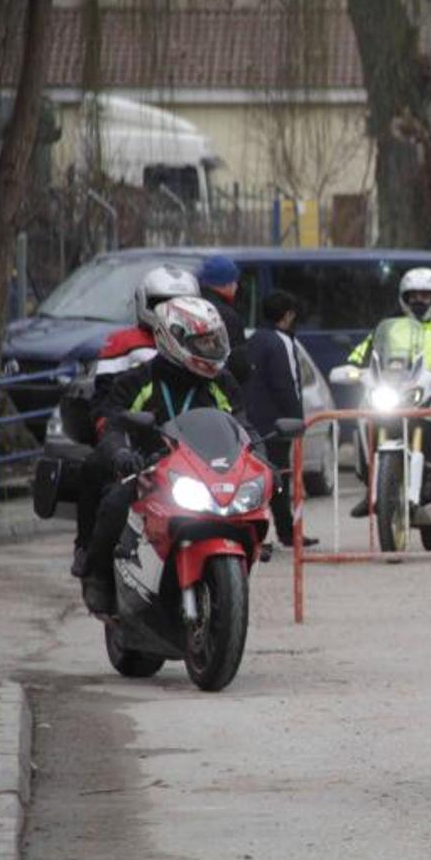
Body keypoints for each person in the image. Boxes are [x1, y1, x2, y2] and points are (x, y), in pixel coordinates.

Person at [75, 297, 252, 615]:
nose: (211, 348)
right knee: (116, 503)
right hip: (148, 470)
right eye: (203, 342)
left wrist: (261, 458)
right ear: (173, 340)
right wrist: (122, 453)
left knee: (250, 507)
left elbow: (242, 426)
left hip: (203, 473)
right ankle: (97, 575)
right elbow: (111, 422)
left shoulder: (222, 383)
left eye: (215, 340)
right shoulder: (138, 379)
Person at [68, 265, 201, 577]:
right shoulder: (122, 343)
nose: (172, 308)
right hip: (136, 440)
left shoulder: (201, 340)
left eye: (182, 300)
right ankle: (87, 549)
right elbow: (104, 402)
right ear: (144, 302)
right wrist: (114, 442)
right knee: (95, 473)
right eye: (163, 301)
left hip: (189, 443)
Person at [347, 267, 431, 520]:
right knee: (365, 422)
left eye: (425, 296)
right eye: (413, 296)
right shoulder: (391, 323)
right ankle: (372, 489)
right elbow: (365, 350)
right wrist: (353, 367)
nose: (419, 301)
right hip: (396, 390)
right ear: (404, 298)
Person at [244, 291, 316, 549]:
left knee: (260, 479)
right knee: (279, 480)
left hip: (252, 422)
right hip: (276, 424)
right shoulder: (281, 342)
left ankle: (261, 533)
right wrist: (297, 420)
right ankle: (286, 532)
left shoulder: (253, 339)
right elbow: (286, 384)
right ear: (288, 316)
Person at [197, 254, 252, 384]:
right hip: (221, 388)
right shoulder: (228, 316)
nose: (236, 286)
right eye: (234, 282)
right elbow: (239, 365)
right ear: (224, 284)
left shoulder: (190, 307)